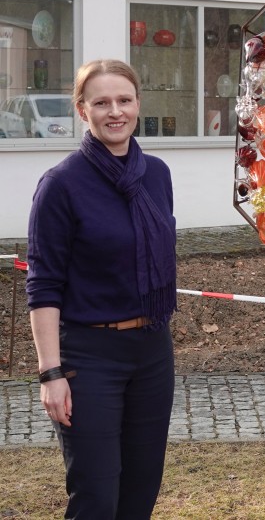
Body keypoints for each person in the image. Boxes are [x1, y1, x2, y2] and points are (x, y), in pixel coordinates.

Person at [27, 59, 177, 519]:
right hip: (88, 357)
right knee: (96, 496)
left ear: (138, 104)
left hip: (151, 349)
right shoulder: (61, 185)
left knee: (141, 490)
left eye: (124, 100)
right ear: (82, 110)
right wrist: (50, 374)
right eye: (101, 103)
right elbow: (44, 285)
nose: (115, 112)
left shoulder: (157, 174)